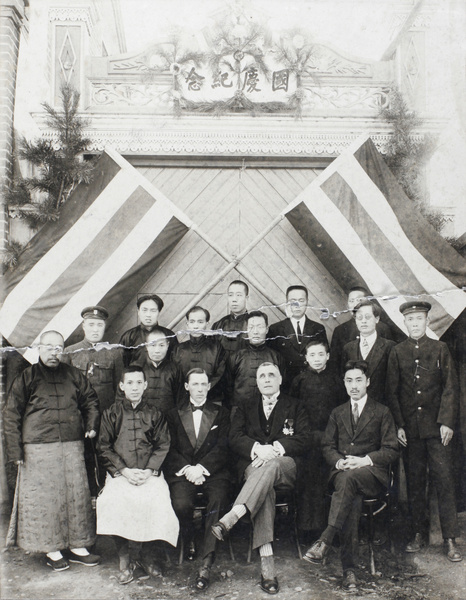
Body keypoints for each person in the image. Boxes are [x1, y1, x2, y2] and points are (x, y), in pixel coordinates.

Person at [3, 331, 100, 572]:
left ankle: (78, 546)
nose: (54, 352)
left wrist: (90, 426)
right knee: (46, 499)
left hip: (72, 445)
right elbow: (11, 414)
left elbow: (90, 401)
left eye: (58, 348)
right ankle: (52, 550)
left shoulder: (74, 375)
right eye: (49, 347)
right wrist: (15, 451)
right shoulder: (26, 377)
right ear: (39, 348)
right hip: (37, 448)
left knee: (75, 496)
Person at [212, 362, 310, 595]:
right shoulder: (245, 406)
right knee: (265, 491)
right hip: (254, 467)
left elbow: (305, 439)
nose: (266, 379)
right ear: (256, 382)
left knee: (273, 465)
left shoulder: (295, 405)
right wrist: (257, 448)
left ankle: (234, 515)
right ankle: (268, 568)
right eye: (262, 376)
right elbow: (234, 437)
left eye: (271, 375)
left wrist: (274, 449)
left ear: (280, 380)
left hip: (285, 467)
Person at [303, 360, 398, 591]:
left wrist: (364, 460)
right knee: (351, 497)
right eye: (349, 381)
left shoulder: (382, 411)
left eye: (358, 380)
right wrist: (339, 461)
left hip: (371, 475)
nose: (353, 386)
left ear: (367, 382)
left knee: (349, 482)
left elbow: (391, 449)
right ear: (344, 384)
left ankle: (326, 540)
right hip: (343, 474)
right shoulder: (337, 413)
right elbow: (327, 445)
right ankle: (350, 571)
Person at [386, 301, 462, 562]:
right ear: (404, 323)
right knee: (415, 483)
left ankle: (450, 538)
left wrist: (447, 422)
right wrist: (399, 425)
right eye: (411, 320)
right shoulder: (397, 352)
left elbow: (450, 388)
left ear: (427, 321)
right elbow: (392, 393)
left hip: (437, 430)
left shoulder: (440, 349)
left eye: (419, 318)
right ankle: (417, 532)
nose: (415, 323)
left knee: (444, 481)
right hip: (411, 431)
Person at [96, 366, 179, 585]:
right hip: (121, 474)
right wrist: (123, 470)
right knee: (112, 500)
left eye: (138, 383)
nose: (134, 387)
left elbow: (163, 444)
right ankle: (124, 556)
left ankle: (146, 554)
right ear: (122, 386)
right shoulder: (111, 413)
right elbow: (104, 446)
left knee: (157, 500)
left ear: (145, 385)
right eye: (129, 383)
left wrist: (149, 470)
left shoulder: (155, 413)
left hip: (149, 473)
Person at [164, 369, 231, 591]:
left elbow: (224, 447)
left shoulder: (221, 413)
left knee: (218, 501)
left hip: (213, 472)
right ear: (186, 387)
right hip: (184, 472)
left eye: (204, 384)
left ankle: (207, 559)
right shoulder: (173, 415)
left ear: (209, 387)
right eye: (195, 384)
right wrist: (188, 469)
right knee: (181, 504)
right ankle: (190, 536)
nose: (200, 389)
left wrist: (202, 468)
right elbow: (169, 448)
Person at [62, 305, 123, 495]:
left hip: (106, 418)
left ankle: (105, 497)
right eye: (91, 324)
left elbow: (120, 388)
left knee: (105, 459)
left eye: (99, 325)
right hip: (79, 420)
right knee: (82, 461)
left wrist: (117, 418)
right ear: (83, 326)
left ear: (104, 327)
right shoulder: (70, 352)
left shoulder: (115, 352)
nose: (95, 329)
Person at [290, 340, 346, 539]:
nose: (316, 359)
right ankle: (306, 529)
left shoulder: (337, 381)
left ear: (328, 356)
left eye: (320, 354)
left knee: (328, 480)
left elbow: (342, 411)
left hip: (331, 440)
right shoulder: (299, 381)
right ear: (305, 358)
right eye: (312, 355)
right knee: (307, 479)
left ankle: (330, 530)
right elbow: (294, 411)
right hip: (307, 441)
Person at [268, 285, 328, 389]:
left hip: (312, 385)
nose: (297, 305)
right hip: (286, 385)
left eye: (301, 300)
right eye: (293, 301)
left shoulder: (318, 328)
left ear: (307, 302)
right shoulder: (275, 329)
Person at [225, 311, 285, 410]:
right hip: (239, 411)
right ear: (246, 330)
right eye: (251, 327)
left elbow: (283, 387)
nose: (255, 331)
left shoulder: (276, 357)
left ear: (266, 329)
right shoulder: (236, 357)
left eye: (260, 327)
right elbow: (228, 388)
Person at [341, 300, 395, 405]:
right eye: (359, 318)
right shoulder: (348, 348)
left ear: (377, 319)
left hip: (383, 407)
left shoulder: (390, 347)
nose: (363, 321)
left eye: (368, 317)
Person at [330, 287, 394, 369]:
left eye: (359, 300)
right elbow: (335, 363)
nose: (355, 304)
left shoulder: (383, 328)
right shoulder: (340, 330)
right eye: (351, 301)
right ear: (347, 305)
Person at [172, 306, 226, 402]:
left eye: (200, 322)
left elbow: (220, 374)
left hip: (211, 400)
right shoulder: (178, 349)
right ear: (187, 324)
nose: (196, 326)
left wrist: (203, 390)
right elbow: (175, 378)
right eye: (192, 322)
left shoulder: (216, 348)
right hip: (184, 402)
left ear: (207, 324)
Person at [119, 294, 177, 368]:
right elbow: (122, 364)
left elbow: (174, 364)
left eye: (153, 311)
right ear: (138, 312)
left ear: (159, 312)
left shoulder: (169, 335)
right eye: (144, 310)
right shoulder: (129, 336)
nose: (148, 315)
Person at [134, 328, 183, 414]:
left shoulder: (174, 369)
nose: (157, 351)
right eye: (153, 345)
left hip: (168, 420)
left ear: (167, 345)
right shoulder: (136, 368)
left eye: (161, 345)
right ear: (146, 345)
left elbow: (181, 400)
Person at [213, 280, 250, 354]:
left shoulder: (253, 324)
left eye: (239, 295)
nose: (234, 299)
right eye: (230, 295)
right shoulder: (219, 325)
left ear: (246, 298)